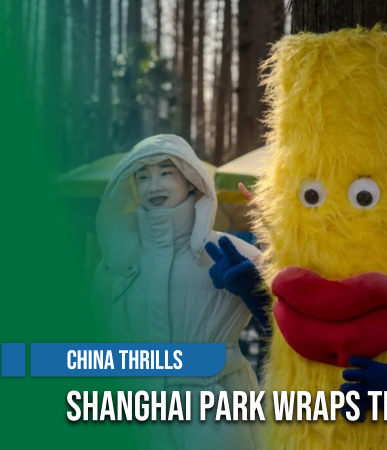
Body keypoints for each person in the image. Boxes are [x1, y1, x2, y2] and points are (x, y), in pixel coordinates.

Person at [93, 134, 264, 449]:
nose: (153, 185)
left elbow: (291, 311)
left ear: (191, 181)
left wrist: (271, 250)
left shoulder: (226, 251)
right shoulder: (115, 264)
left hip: (214, 415)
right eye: (142, 176)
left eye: (165, 173)